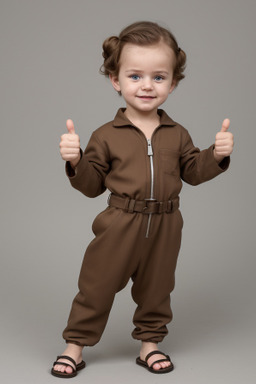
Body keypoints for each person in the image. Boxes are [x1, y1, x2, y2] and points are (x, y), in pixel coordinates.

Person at [51, 21, 234, 378]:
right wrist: (75, 161)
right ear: (116, 80)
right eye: (135, 76)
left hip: (167, 223)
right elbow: (92, 186)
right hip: (120, 222)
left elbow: (193, 172)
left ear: (173, 82)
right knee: (97, 286)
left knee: (158, 286)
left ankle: (150, 344)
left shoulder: (177, 133)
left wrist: (216, 155)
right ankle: (75, 345)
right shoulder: (106, 135)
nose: (147, 86)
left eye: (158, 77)